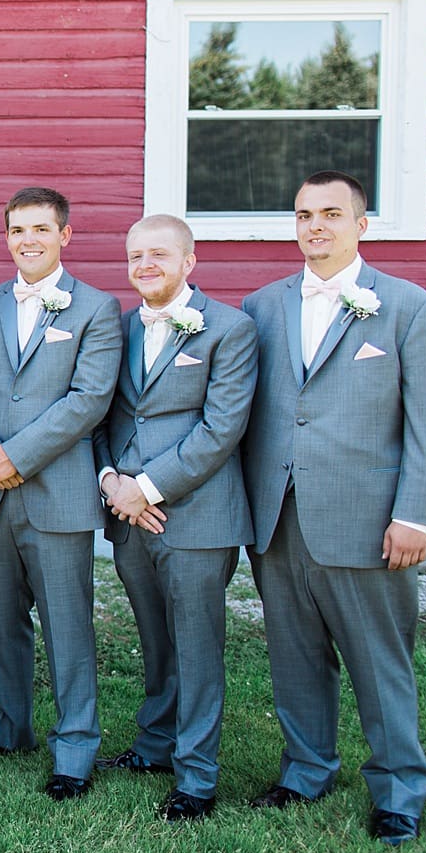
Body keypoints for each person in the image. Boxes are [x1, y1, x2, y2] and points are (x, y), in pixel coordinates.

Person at [241, 171, 426, 846]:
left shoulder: (408, 307)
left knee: (378, 661)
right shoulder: (261, 306)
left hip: (368, 520)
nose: (316, 226)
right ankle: (306, 768)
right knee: (294, 656)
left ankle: (398, 789)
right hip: (278, 515)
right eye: (304, 214)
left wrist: (415, 514)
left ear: (360, 224)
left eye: (331, 214)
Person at [0, 186, 120, 800]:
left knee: (67, 625)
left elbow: (89, 400)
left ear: (64, 235)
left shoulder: (96, 309)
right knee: (1, 620)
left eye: (41, 229)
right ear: (7, 236)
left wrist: (17, 457)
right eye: (18, 229)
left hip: (57, 491)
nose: (28, 240)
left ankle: (74, 748)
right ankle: (9, 728)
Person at [91, 215, 257, 820]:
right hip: (128, 514)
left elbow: (221, 429)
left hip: (196, 516)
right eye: (136, 255)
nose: (145, 265)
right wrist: (110, 480)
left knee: (196, 646)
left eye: (159, 254)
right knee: (156, 640)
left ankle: (197, 778)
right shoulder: (117, 327)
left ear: (189, 261)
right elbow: (103, 414)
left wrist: (147, 488)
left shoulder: (230, 330)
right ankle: (156, 745)